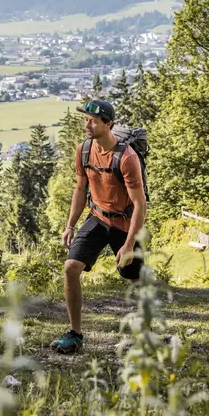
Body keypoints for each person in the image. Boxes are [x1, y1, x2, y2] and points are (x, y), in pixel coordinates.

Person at [51, 98, 147, 355]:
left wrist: (128, 245)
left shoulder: (127, 159)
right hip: (97, 217)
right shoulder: (83, 150)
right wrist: (70, 225)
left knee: (135, 277)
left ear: (109, 124)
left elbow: (140, 205)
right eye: (86, 120)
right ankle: (75, 333)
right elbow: (80, 189)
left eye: (93, 121)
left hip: (124, 224)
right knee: (71, 268)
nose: (87, 125)